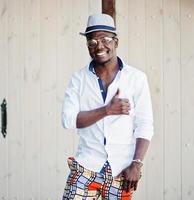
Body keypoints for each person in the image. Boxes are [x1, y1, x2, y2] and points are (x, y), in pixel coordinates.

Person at [61, 13, 154, 199]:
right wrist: (106, 111)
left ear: (116, 42)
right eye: (92, 42)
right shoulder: (78, 79)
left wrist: (136, 164)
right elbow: (68, 120)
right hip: (86, 168)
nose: (99, 46)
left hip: (121, 172)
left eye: (105, 39)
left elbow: (145, 125)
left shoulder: (136, 78)